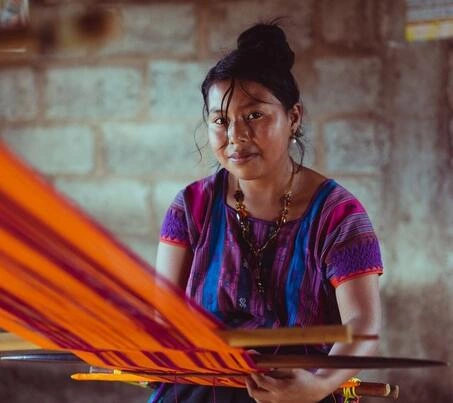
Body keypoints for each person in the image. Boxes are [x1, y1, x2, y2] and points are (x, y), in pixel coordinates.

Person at [150, 21, 383, 403]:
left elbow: (362, 326)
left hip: (301, 391)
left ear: (293, 117)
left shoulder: (338, 216)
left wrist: (321, 383)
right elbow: (165, 318)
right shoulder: (190, 208)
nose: (236, 136)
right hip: (201, 389)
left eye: (254, 115)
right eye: (220, 121)